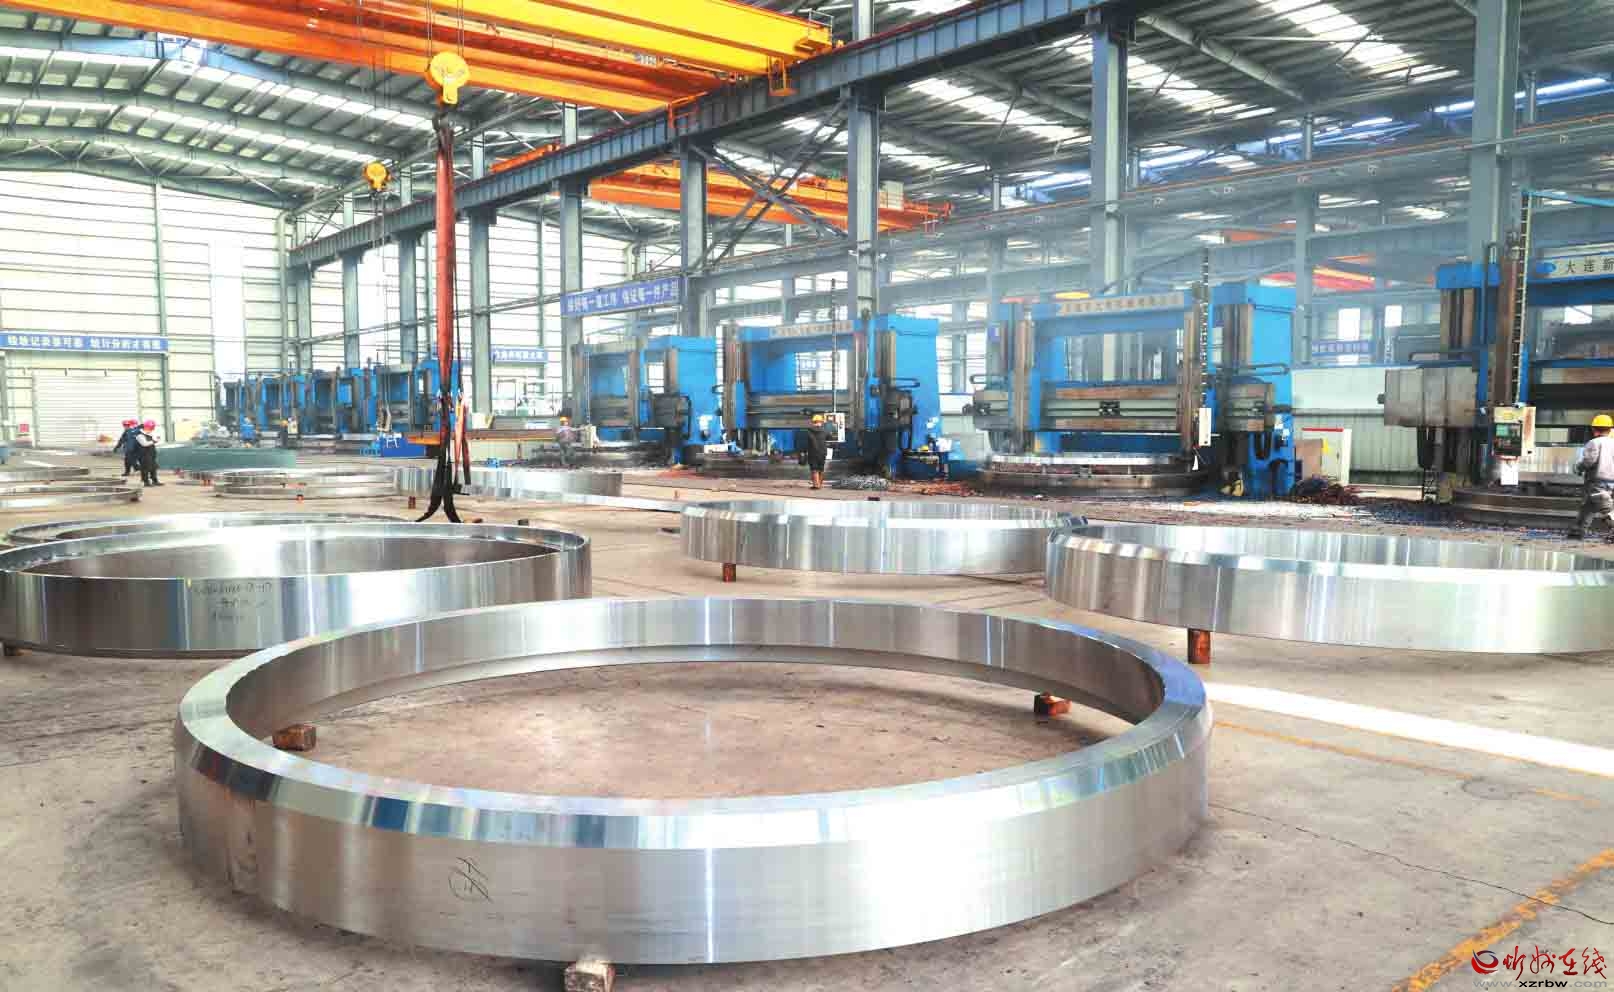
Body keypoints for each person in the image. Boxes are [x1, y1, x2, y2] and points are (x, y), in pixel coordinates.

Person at [1570, 413, 1614, 539]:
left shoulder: (1594, 443)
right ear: (1610, 429)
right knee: (1587, 507)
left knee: (1605, 508)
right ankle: (1577, 532)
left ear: (1594, 429)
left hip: (1597, 481)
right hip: (1611, 481)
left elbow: (1589, 461)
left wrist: (1578, 468)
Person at [802, 412, 829, 490]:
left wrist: (803, 452)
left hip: (812, 453)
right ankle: (819, 484)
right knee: (821, 469)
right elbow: (830, 437)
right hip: (822, 453)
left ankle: (816, 485)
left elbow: (805, 443)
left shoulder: (808, 431)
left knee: (814, 469)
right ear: (821, 422)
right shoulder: (825, 431)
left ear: (813, 422)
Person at [134, 419, 162, 486]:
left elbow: (151, 442)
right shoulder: (139, 435)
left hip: (151, 453)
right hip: (143, 454)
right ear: (145, 427)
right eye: (150, 428)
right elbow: (144, 444)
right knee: (145, 468)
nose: (151, 430)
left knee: (153, 467)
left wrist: (155, 440)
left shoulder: (149, 434)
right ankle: (146, 481)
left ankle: (155, 480)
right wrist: (154, 441)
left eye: (152, 428)